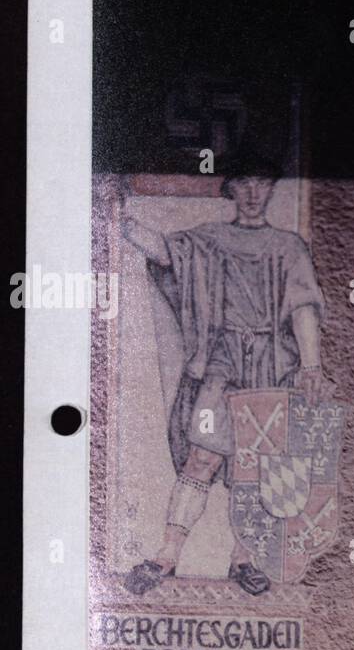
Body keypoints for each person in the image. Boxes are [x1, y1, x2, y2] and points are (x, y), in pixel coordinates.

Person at [116, 155, 331, 596]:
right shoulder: (210, 239)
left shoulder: (289, 248)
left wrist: (310, 365)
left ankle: (244, 560)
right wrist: (120, 218)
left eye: (261, 182)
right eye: (244, 182)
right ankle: (167, 555)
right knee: (202, 457)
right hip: (222, 364)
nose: (253, 191)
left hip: (271, 368)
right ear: (232, 190)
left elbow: (303, 307)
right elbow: (165, 252)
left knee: (255, 470)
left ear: (270, 189)